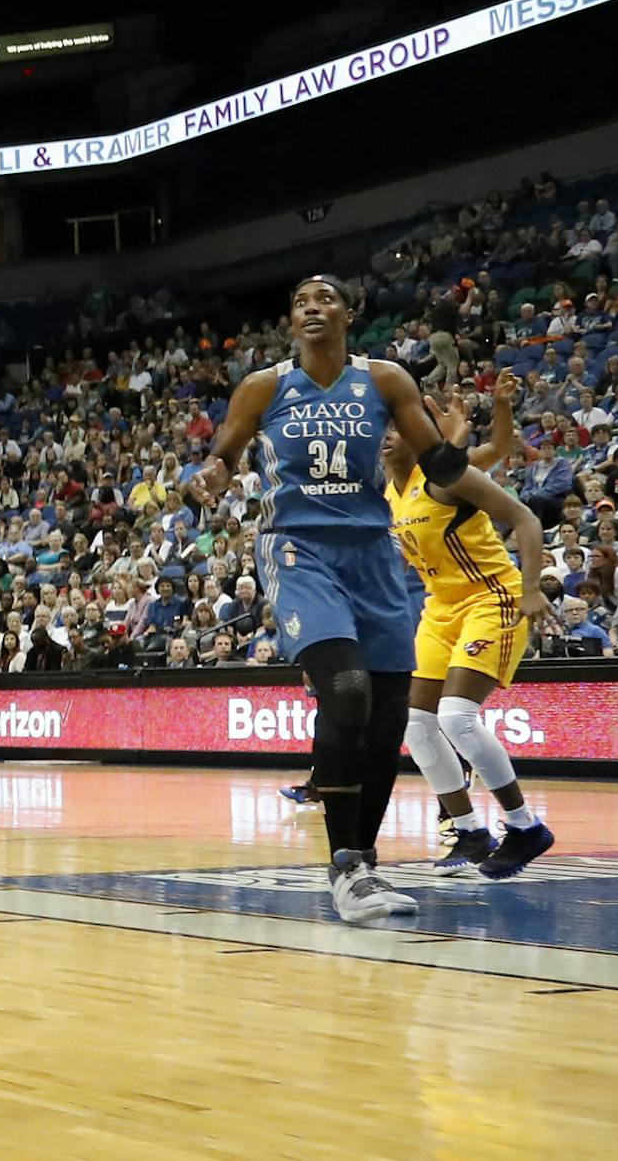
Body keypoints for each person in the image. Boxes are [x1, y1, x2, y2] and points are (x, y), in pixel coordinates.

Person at [190, 275, 500, 923]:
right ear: (289, 319)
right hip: (299, 547)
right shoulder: (264, 387)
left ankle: (363, 860)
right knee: (349, 690)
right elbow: (223, 455)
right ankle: (344, 866)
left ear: (348, 316)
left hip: (374, 553)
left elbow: (439, 465)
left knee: (389, 719)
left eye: (325, 298)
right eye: (301, 299)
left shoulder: (384, 380)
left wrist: (504, 494)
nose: (312, 306)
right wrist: (211, 476)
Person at [388, 385, 555, 877]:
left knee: (457, 717)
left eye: (398, 427)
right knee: (418, 726)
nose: (387, 435)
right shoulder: (389, 493)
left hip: (493, 597)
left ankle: (525, 827)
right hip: (440, 608)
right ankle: (469, 831)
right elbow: (496, 451)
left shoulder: (442, 477)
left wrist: (529, 589)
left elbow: (523, 514)